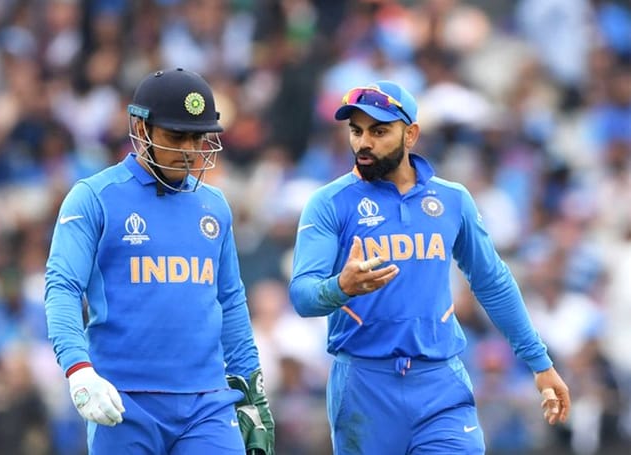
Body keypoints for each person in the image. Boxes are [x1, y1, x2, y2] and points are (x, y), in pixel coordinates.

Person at [288, 80, 570, 454]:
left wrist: (540, 364)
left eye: (379, 131)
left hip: (440, 383)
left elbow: (493, 283)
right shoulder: (329, 203)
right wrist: (340, 287)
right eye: (356, 131)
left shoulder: (452, 199)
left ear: (411, 135)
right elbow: (303, 295)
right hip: (364, 388)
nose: (363, 143)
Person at [45, 68, 274, 455]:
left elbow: (231, 301)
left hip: (207, 403)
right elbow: (62, 287)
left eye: (198, 137)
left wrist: (252, 392)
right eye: (176, 136)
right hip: (122, 400)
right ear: (141, 128)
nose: (190, 150)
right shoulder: (94, 197)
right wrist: (78, 369)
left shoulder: (214, 205)